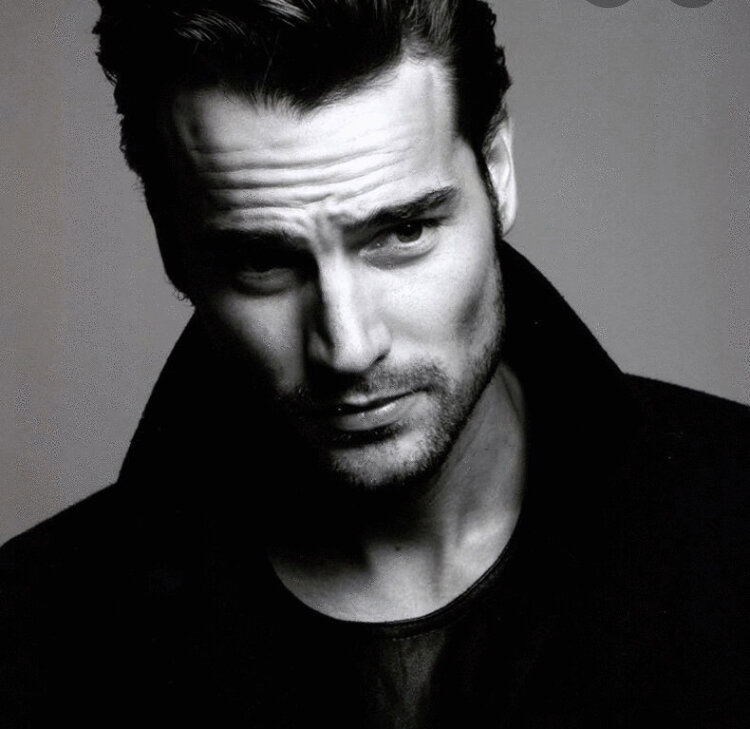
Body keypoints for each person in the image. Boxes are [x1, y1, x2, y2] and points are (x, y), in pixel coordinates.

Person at [1, 1, 747, 726]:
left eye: (404, 231)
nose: (349, 346)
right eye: (263, 261)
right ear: (171, 245)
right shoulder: (28, 635)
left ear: (497, 171)